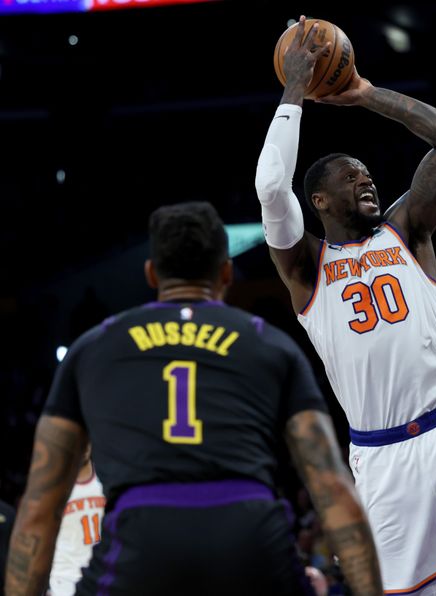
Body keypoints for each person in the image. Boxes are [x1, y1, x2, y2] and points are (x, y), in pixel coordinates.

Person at [255, 16, 436, 595]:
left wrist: (367, 95)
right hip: (381, 455)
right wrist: (295, 90)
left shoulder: (407, 229)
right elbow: (271, 188)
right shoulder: (305, 266)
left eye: (369, 173)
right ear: (320, 199)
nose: (367, 181)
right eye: (353, 178)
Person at [5, 202, 381, 595]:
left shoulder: (93, 347)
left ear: (152, 274)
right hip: (249, 536)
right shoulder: (270, 344)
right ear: (226, 273)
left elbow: (39, 509)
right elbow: (332, 488)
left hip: (142, 538)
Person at [48, 446, 105, 596]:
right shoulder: (53, 489)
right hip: (64, 581)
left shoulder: (108, 479)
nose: (82, 446)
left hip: (102, 576)